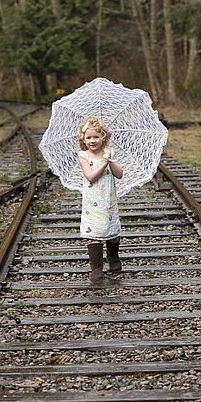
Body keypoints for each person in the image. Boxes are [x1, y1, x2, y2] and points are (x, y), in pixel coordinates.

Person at [77, 116, 123, 282]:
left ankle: (113, 257)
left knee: (112, 231)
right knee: (94, 231)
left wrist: (110, 160)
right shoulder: (83, 156)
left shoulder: (108, 154)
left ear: (104, 137)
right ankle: (96, 268)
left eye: (96, 137)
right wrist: (102, 164)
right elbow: (90, 177)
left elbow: (119, 174)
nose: (92, 140)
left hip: (108, 200)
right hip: (92, 201)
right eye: (88, 137)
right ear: (83, 139)